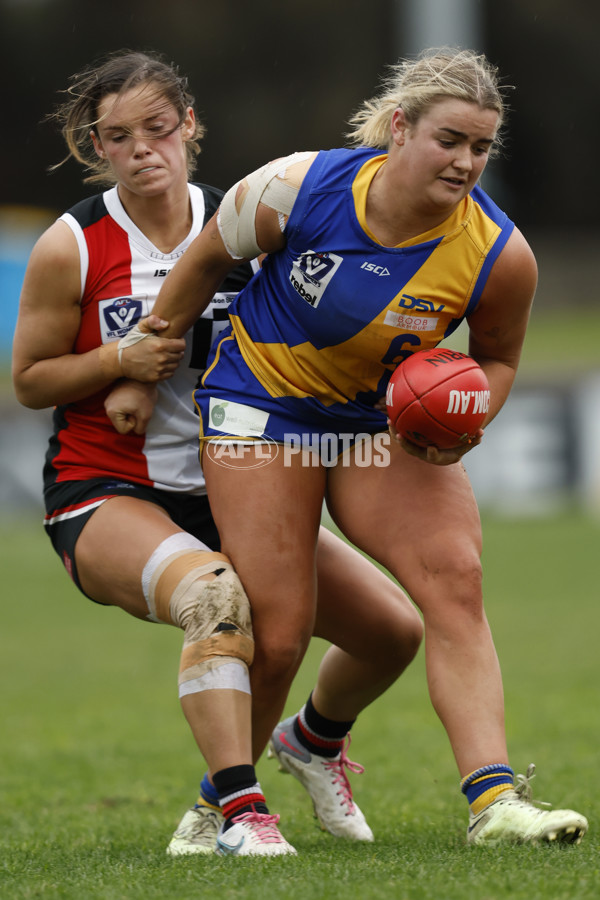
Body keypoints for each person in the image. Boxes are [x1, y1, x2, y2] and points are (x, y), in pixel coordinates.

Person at [131, 47, 588, 846]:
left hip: (381, 425)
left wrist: (469, 419)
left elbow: (500, 356)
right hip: (260, 407)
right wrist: (144, 366)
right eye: (450, 139)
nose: (466, 161)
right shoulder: (298, 186)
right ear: (401, 128)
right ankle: (220, 809)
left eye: (481, 147)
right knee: (278, 628)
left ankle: (493, 804)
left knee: (455, 582)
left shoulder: (496, 251)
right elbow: (207, 258)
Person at [11, 49, 423, 858]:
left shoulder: (246, 221)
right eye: (117, 136)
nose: (141, 150)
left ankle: (310, 742)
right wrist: (113, 363)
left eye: (158, 129)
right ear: (96, 147)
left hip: (236, 482)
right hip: (105, 489)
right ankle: (238, 814)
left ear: (190, 127)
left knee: (392, 634)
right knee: (214, 599)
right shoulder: (72, 244)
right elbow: (27, 380)